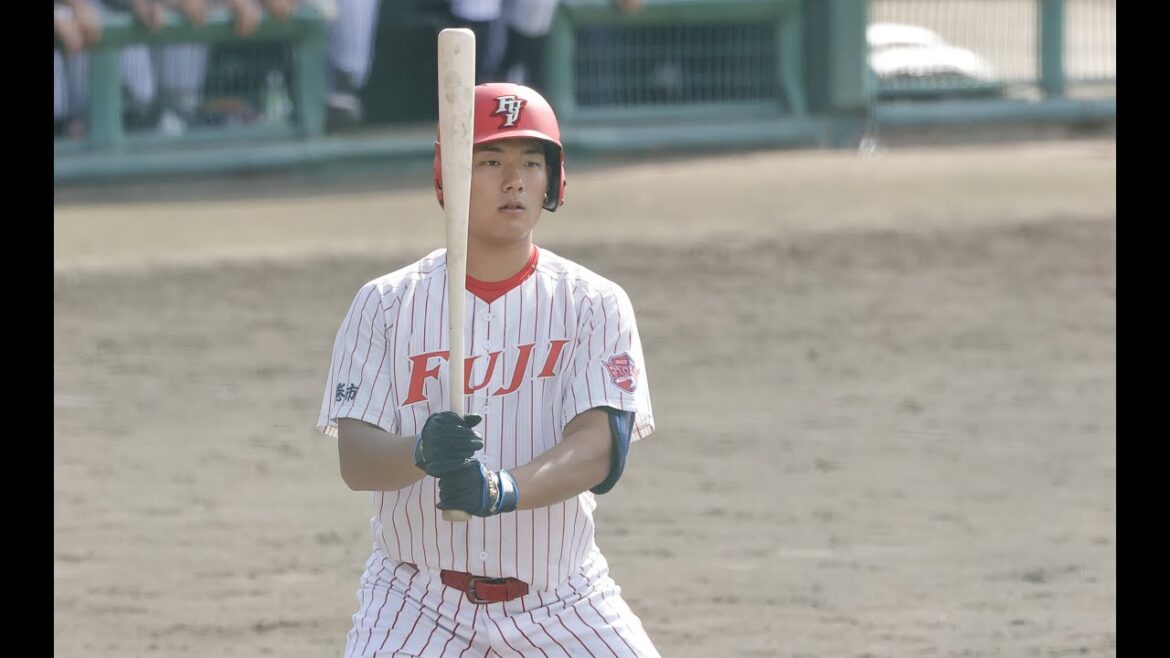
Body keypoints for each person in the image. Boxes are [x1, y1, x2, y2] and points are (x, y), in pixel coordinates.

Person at [317, 82, 660, 657]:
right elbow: (356, 459)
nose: (514, 180)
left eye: (532, 161)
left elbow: (601, 447)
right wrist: (419, 453)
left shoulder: (594, 303)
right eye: (490, 160)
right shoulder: (384, 304)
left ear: (553, 180)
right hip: (417, 600)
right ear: (448, 174)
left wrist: (503, 488)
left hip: (564, 599)